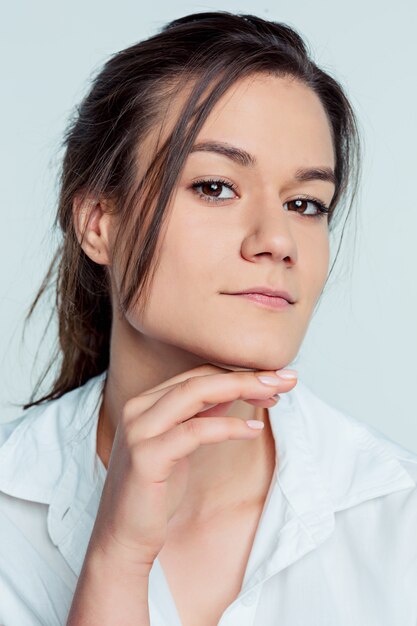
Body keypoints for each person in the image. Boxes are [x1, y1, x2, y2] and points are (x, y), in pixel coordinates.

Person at [1, 9, 416, 626]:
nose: (277, 241)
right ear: (98, 222)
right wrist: (116, 559)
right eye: (216, 187)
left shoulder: (393, 516)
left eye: (305, 203)